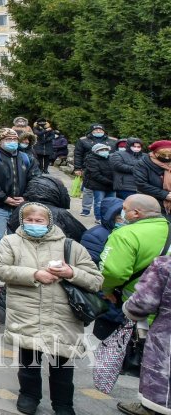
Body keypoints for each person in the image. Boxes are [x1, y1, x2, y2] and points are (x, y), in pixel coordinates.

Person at [0, 202, 103, 415]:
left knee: (62, 365)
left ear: (49, 222)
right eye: (29, 220)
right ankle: (29, 396)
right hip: (26, 313)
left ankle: (63, 404)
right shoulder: (11, 242)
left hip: (62, 316)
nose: (34, 224)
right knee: (29, 362)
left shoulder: (70, 246)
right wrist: (34, 274)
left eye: (39, 220)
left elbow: (96, 280)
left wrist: (71, 273)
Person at [0, 126, 41, 281]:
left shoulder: (27, 158)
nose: (12, 142)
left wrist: (26, 197)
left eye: (14, 139)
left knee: (18, 239)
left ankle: (13, 269)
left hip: (21, 207)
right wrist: (4, 198)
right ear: (0, 141)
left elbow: (36, 179)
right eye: (8, 139)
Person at [119, 255, 171, 415]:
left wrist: (129, 308)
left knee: (163, 380)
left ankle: (151, 408)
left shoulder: (165, 265)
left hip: (166, 338)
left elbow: (142, 303)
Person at [101, 194, 171, 306]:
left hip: (135, 305)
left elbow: (114, 273)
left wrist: (107, 290)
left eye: (124, 209)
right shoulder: (167, 227)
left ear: (136, 213)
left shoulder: (125, 235)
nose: (122, 212)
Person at [75, 123, 112, 216]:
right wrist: (77, 168)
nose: (98, 131)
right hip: (87, 168)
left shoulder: (111, 141)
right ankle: (86, 209)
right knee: (88, 190)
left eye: (100, 130)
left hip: (104, 169)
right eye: (96, 130)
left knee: (102, 191)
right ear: (91, 131)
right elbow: (78, 154)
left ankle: (102, 211)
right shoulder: (83, 140)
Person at [134, 141, 171, 215]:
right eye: (163, 155)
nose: (167, 157)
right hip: (152, 203)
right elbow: (141, 184)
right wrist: (165, 195)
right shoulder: (142, 164)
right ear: (155, 153)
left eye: (169, 155)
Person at [83, 141, 117, 221]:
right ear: (95, 151)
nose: (104, 151)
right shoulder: (91, 159)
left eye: (106, 149)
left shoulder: (111, 158)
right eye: (101, 150)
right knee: (99, 202)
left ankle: (108, 218)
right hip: (98, 185)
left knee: (111, 203)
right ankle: (99, 218)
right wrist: (110, 182)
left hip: (110, 185)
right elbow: (95, 175)